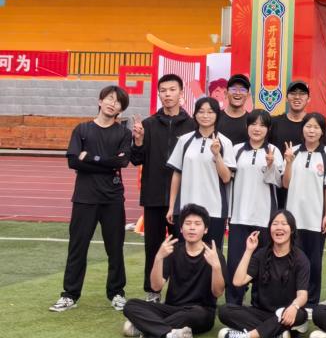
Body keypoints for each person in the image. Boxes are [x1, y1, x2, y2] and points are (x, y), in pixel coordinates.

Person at [49, 85, 132, 313]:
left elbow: (122, 162)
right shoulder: (82, 129)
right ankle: (70, 295)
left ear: (121, 109)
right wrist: (107, 162)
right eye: (109, 98)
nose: (112, 103)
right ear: (100, 101)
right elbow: (73, 161)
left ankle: (117, 293)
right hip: (84, 197)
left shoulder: (123, 133)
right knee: (78, 247)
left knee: (115, 248)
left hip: (112, 198)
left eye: (118, 102)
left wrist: (91, 158)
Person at [130, 72, 194, 304]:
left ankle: (180, 293)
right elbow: (136, 159)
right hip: (154, 197)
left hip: (183, 201)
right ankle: (153, 291)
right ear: (158, 94)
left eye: (172, 90)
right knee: (153, 247)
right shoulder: (148, 125)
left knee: (183, 248)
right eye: (163, 91)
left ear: (181, 93)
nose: (168, 95)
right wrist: (138, 140)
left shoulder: (193, 125)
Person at [122, 203, 226, 338]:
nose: (192, 227)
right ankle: (169, 333)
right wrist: (158, 258)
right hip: (171, 309)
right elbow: (156, 286)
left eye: (197, 224)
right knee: (131, 305)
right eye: (187, 223)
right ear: (181, 229)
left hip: (200, 312)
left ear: (205, 229)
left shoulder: (213, 253)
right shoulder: (173, 250)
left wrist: (216, 267)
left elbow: (218, 292)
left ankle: (147, 329)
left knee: (194, 314)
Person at [218, 209, 310, 338]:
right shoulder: (261, 254)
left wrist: (294, 307)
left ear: (292, 230)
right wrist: (249, 250)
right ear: (270, 229)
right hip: (260, 312)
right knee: (225, 311)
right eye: (275, 224)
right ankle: (276, 333)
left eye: (284, 224)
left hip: (286, 312)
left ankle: (250, 336)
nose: (279, 227)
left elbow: (303, 295)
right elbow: (238, 281)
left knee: (300, 315)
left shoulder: (301, 259)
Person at [226, 110, 284, 304]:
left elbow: (279, 182)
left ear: (268, 129)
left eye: (262, 125)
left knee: (263, 264)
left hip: (265, 218)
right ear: (247, 126)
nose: (257, 128)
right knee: (235, 262)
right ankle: (234, 302)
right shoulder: (236, 150)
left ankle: (260, 303)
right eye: (253, 124)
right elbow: (227, 179)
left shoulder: (274, 151)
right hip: (239, 216)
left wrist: (270, 165)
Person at [166, 96, 236, 249]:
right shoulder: (184, 140)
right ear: (195, 114)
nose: (205, 116)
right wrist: (172, 207)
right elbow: (177, 174)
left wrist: (217, 155)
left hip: (215, 210)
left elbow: (226, 178)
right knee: (184, 253)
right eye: (201, 111)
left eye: (210, 112)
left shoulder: (225, 142)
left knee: (212, 254)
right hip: (186, 208)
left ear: (217, 115)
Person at [283, 111, 326, 306]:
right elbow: (285, 184)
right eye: (308, 126)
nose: (311, 131)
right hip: (293, 219)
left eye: (316, 127)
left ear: (322, 131)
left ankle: (311, 302)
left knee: (314, 262)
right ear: (302, 129)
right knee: (292, 260)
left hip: (315, 218)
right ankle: (291, 299)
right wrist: (288, 163)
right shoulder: (292, 152)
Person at [270, 81, 312, 207]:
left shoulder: (313, 126)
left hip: (305, 187)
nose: (297, 97)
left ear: (308, 99)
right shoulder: (275, 123)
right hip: (277, 186)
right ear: (286, 98)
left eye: (302, 93)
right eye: (293, 93)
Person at [218, 73, 253, 147]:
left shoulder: (252, 121)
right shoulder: (216, 118)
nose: (237, 93)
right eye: (233, 89)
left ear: (248, 95)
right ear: (226, 93)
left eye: (242, 90)